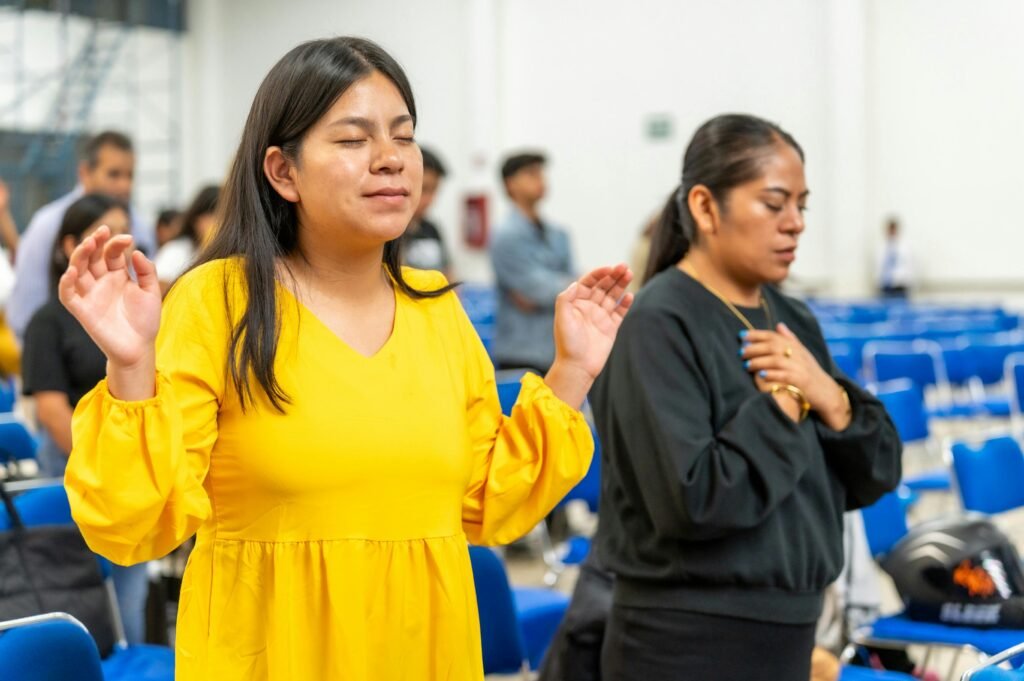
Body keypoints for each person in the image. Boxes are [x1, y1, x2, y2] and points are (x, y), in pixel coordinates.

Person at [59, 37, 633, 681]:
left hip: (425, 654)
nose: (390, 160)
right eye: (353, 140)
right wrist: (131, 365)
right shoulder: (220, 301)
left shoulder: (437, 312)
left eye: (403, 136)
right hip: (274, 656)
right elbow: (135, 526)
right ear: (283, 172)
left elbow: (488, 504)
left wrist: (573, 370)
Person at [593, 113, 901, 680]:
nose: (795, 225)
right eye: (774, 203)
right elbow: (696, 499)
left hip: (787, 633)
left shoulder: (791, 318)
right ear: (707, 208)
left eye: (801, 206)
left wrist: (829, 397)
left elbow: (878, 471)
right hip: (688, 643)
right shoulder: (660, 322)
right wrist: (787, 401)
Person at [20, 192, 150, 644]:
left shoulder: (133, 312)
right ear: (70, 244)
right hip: (78, 478)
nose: (120, 246)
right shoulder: (48, 322)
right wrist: (106, 465)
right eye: (106, 234)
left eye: (125, 234)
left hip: (131, 483)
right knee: (77, 603)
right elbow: (54, 414)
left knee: (128, 609)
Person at [7, 130, 153, 340]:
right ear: (85, 172)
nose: (124, 185)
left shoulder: (140, 227)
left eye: (130, 176)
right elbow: (27, 307)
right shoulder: (47, 224)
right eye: (114, 174)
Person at [490, 152, 575, 373]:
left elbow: (570, 290)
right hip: (520, 353)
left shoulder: (558, 234)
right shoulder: (505, 235)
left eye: (541, 173)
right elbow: (532, 293)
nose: (540, 180)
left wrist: (567, 286)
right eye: (530, 174)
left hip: (556, 349)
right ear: (510, 184)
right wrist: (569, 285)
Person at [154, 184, 220, 292]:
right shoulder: (176, 250)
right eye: (213, 215)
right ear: (196, 219)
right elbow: (158, 287)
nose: (218, 223)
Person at [399, 146, 452, 276]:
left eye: (434, 190)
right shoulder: (389, 234)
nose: (430, 199)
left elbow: (449, 274)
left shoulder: (432, 229)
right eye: (424, 189)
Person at [878, 217, 912, 298]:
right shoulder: (881, 247)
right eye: (890, 230)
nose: (891, 232)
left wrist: (909, 282)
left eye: (893, 230)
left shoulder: (904, 247)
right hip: (885, 285)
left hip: (900, 284)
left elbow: (909, 265)